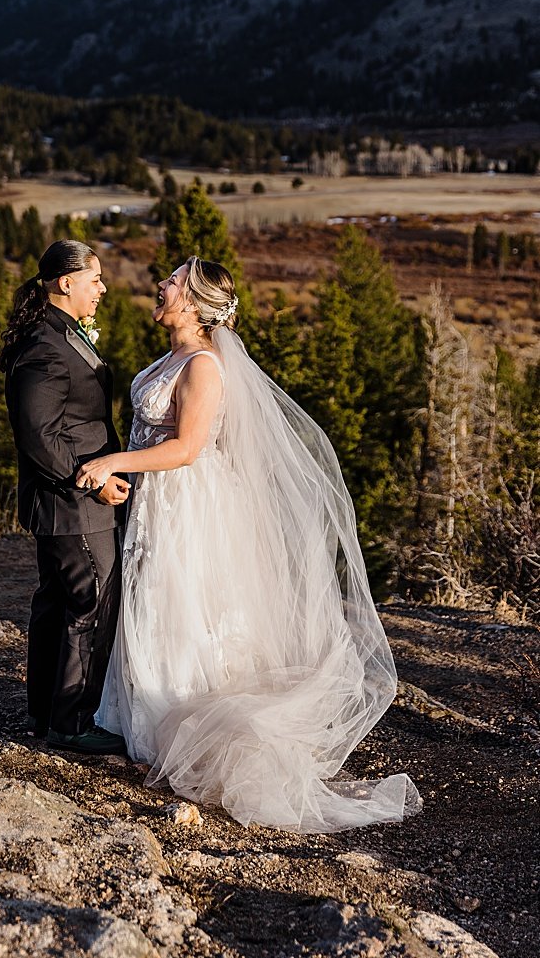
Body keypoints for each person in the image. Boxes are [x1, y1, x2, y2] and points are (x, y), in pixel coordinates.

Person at [78, 258, 422, 831]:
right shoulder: (171, 358)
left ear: (192, 302)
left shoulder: (205, 366)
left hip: (188, 501)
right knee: (153, 601)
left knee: (181, 603)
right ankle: (145, 719)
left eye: (171, 283)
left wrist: (115, 461)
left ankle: (185, 725)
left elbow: (187, 448)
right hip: (156, 502)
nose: (159, 287)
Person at [0, 240, 132, 755]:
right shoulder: (43, 345)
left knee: (57, 604)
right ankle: (71, 722)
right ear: (65, 282)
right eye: (94, 279)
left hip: (72, 500)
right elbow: (37, 435)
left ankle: (43, 711)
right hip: (71, 501)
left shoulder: (62, 334)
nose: (102, 288)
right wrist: (95, 479)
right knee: (89, 603)